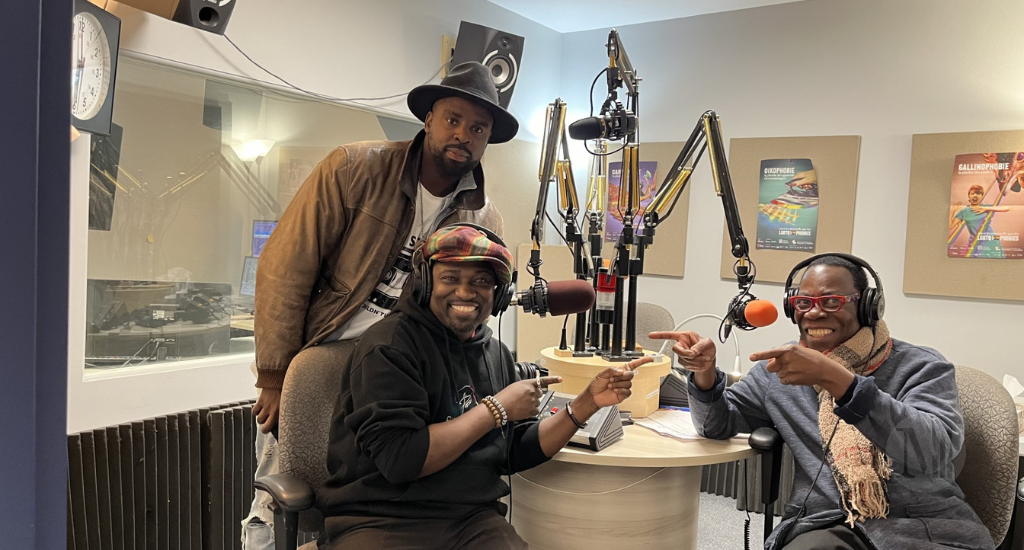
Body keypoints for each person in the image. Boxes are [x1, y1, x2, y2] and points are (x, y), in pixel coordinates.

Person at [242, 62, 519, 546]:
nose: (463, 135)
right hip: (321, 354)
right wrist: (273, 374)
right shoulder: (353, 169)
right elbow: (285, 268)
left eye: (478, 128)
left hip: (404, 365)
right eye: (453, 120)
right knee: (276, 503)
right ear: (428, 118)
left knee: (399, 482)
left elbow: (479, 297)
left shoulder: (483, 213)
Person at [317, 224, 647, 549]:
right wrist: (496, 409)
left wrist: (586, 403)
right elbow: (402, 460)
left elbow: (515, 450)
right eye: (450, 278)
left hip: (469, 520)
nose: (464, 292)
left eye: (481, 281)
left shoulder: (495, 354)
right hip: (379, 517)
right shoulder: (388, 347)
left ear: (498, 294)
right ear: (424, 283)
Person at [651, 254, 993, 550]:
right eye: (803, 303)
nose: (814, 314)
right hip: (828, 524)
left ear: (867, 305)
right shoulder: (780, 371)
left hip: (921, 526)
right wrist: (705, 374)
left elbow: (933, 452)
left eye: (831, 301)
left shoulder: (920, 366)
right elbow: (716, 424)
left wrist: (840, 382)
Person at [949, 184, 1009, 258]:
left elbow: (1007, 208)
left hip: (990, 240)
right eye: (972, 193)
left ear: (981, 196)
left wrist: (986, 209)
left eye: (978, 193)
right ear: (969, 196)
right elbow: (950, 226)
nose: (975, 195)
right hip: (975, 242)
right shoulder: (964, 211)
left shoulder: (985, 207)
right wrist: (952, 212)